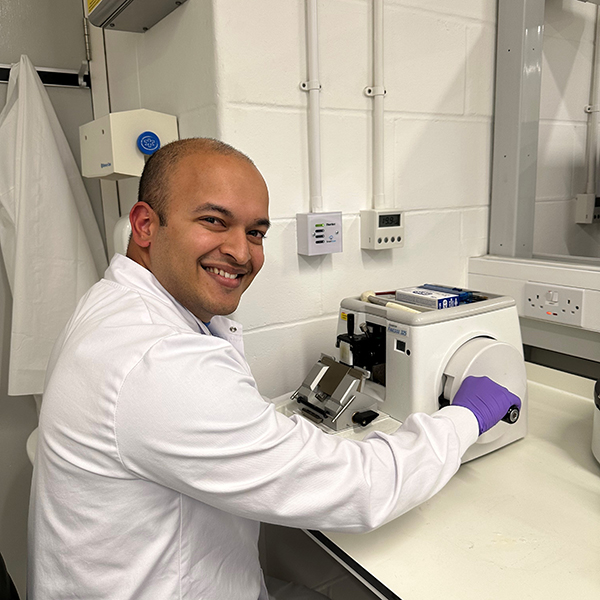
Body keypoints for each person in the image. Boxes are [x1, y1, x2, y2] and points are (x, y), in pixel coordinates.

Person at [28, 138, 520, 600]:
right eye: (214, 221)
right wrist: (464, 418)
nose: (242, 253)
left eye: (255, 232)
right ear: (145, 225)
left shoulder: (114, 304)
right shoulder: (158, 361)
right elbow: (362, 487)